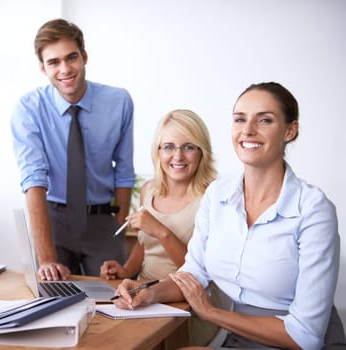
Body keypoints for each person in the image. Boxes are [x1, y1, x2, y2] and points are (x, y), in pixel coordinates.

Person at [113, 82, 343, 349]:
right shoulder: (218, 194)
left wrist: (211, 313)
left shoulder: (314, 210)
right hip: (234, 336)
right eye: (239, 119)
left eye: (265, 120)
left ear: (290, 130)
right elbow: (193, 272)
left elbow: (306, 336)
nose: (248, 130)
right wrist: (148, 293)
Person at [11, 19, 135, 281]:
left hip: (101, 220)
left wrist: (118, 228)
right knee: (53, 297)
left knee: (115, 300)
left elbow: (124, 172)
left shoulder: (119, 102)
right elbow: (33, 179)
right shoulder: (29, 108)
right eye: (54, 62)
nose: (65, 69)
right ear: (43, 68)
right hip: (52, 220)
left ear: (84, 57)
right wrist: (46, 259)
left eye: (71, 58)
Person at [100, 109, 217, 281]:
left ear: (201, 152)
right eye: (169, 147)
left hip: (186, 298)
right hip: (143, 293)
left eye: (189, 147)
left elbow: (202, 272)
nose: (178, 156)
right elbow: (144, 245)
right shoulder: (148, 190)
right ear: (158, 151)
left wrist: (161, 232)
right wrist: (125, 271)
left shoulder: (212, 198)